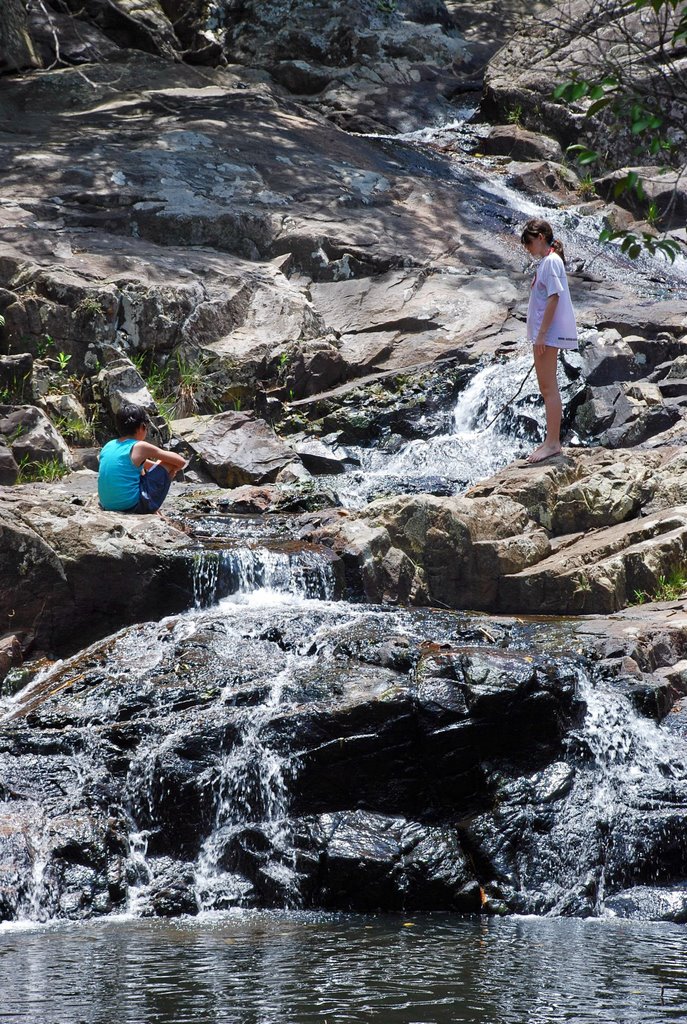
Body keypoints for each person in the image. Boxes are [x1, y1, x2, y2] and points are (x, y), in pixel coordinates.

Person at [520, 218, 578, 463]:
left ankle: (553, 443)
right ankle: (550, 441)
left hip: (548, 335)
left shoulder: (551, 261)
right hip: (544, 335)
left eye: (530, 243)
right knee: (547, 388)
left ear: (541, 237)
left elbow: (554, 297)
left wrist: (542, 334)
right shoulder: (547, 261)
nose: (528, 249)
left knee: (548, 388)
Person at [98, 403, 187, 513]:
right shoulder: (140, 446)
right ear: (141, 427)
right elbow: (181, 462)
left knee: (142, 472)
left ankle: (153, 509)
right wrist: (169, 472)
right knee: (168, 463)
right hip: (130, 506)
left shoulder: (109, 445)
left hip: (107, 505)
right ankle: (151, 508)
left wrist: (155, 467)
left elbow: (130, 467)